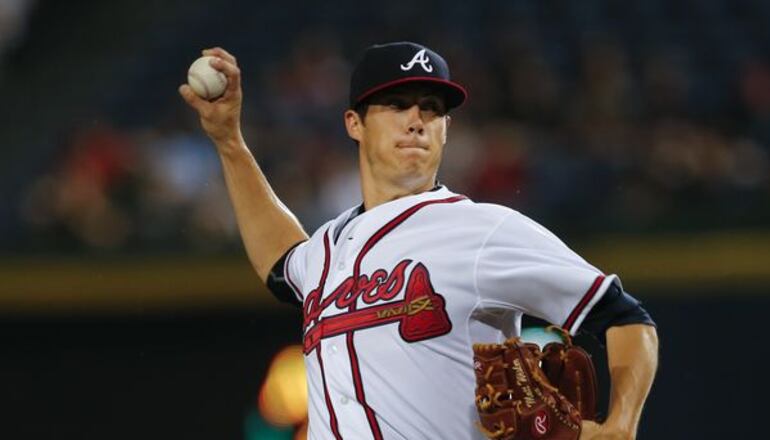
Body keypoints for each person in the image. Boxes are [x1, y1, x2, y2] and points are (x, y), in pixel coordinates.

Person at [179, 42, 658, 440]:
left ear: (446, 129)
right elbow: (282, 264)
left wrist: (621, 424)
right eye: (396, 104)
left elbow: (625, 317)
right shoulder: (325, 250)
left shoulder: (484, 230)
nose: (416, 120)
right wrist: (229, 141)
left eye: (431, 109)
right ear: (354, 123)